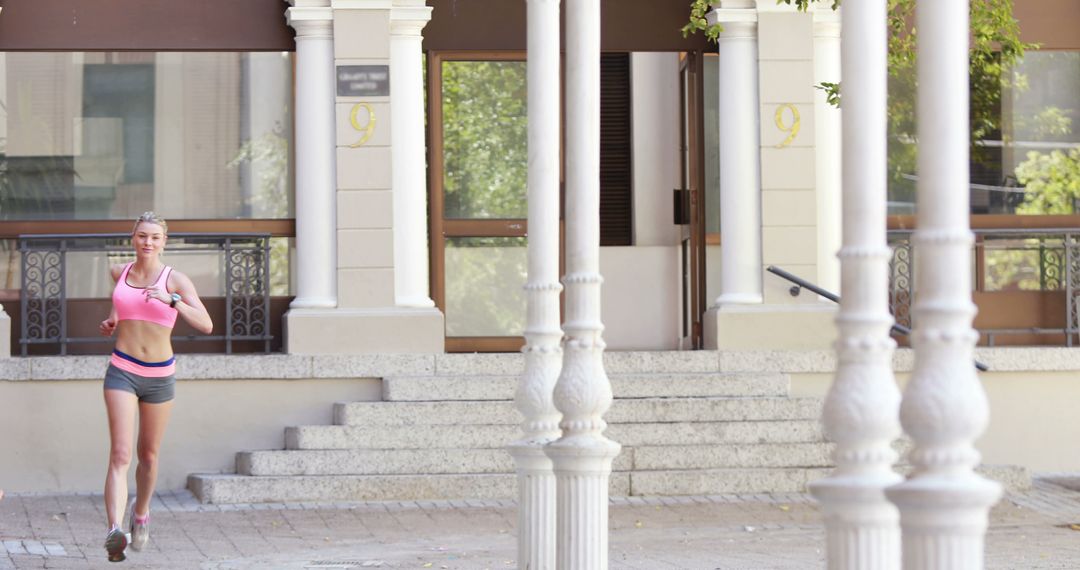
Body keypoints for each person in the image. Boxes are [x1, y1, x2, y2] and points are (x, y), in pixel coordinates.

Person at [99, 212, 212, 562]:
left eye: (155, 237)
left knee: (148, 455)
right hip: (122, 370)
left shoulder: (174, 280)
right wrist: (114, 319)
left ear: (164, 242)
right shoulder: (119, 272)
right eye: (142, 236)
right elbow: (122, 303)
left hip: (160, 375)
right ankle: (114, 531)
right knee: (120, 454)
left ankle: (141, 513)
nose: (147, 242)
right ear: (132, 238)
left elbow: (205, 324)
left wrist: (172, 301)